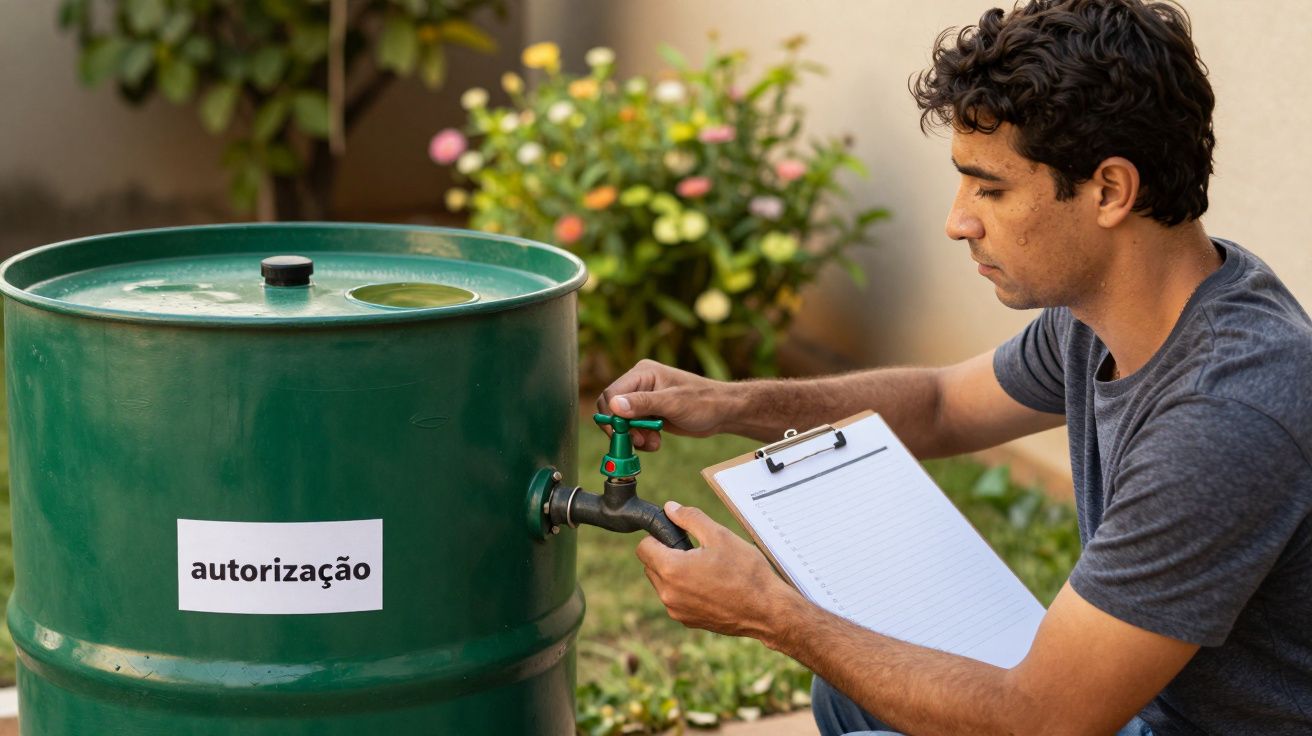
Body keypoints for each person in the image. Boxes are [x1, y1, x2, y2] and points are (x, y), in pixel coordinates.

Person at [596, 1, 1312, 734]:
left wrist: (773, 614)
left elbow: (1042, 721)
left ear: (1109, 190)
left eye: (990, 188)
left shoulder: (1225, 411)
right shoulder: (1109, 313)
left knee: (869, 687)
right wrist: (727, 404)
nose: (958, 220)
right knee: (851, 695)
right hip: (1144, 712)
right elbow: (940, 403)